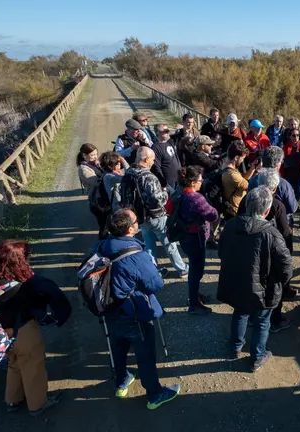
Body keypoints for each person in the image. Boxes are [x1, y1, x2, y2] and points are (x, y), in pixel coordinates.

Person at [95, 209, 181, 409]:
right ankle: (154, 394)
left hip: (109, 310)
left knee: (118, 348)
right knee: (145, 354)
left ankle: (121, 382)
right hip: (134, 312)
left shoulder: (101, 246)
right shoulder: (135, 255)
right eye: (136, 221)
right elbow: (155, 285)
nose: (138, 222)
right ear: (129, 229)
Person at [0, 240, 71, 417]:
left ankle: (13, 399)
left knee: (14, 363)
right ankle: (38, 404)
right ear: (18, 260)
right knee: (32, 365)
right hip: (22, 330)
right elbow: (48, 297)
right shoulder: (23, 284)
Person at [217, 187, 294, 372]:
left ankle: (235, 346)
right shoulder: (272, 234)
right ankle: (257, 357)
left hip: (236, 282)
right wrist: (280, 282)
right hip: (264, 288)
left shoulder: (230, 226)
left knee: (240, 312)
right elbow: (286, 267)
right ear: (266, 211)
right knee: (261, 322)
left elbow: (221, 253)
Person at [238, 171, 293, 332]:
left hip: (248, 248)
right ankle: (275, 320)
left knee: (251, 283)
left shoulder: (247, 199)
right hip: (270, 252)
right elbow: (285, 232)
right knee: (271, 289)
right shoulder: (277, 205)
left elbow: (239, 219)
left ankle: (251, 317)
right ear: (275, 187)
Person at [122, 147, 188, 277]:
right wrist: (164, 193)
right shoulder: (149, 177)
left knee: (149, 244)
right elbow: (157, 200)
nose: (153, 162)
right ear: (146, 159)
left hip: (139, 217)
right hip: (156, 216)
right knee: (169, 243)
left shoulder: (129, 173)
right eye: (152, 159)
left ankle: (153, 270)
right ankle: (182, 269)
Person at [178, 166, 219, 316]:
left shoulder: (178, 193)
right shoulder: (196, 198)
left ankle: (194, 295)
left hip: (184, 236)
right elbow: (213, 215)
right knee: (196, 271)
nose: (202, 183)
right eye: (200, 180)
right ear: (193, 182)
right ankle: (194, 304)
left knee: (193, 268)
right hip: (196, 238)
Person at [247, 146, 298, 218]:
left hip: (256, 219)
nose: (282, 163)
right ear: (277, 164)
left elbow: (248, 202)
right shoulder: (283, 184)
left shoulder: (253, 180)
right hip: (279, 221)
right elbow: (292, 207)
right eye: (281, 161)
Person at [222, 140, 259, 222]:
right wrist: (257, 172)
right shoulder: (232, 174)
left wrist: (253, 168)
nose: (242, 161)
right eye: (242, 158)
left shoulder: (228, 168)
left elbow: (243, 178)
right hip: (234, 211)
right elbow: (249, 186)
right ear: (236, 158)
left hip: (234, 208)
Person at [77, 143, 107, 235]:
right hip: (97, 200)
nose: (95, 157)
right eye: (92, 155)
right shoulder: (84, 169)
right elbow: (97, 182)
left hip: (104, 197)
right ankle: (102, 242)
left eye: (96, 154)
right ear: (84, 155)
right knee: (104, 227)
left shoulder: (94, 164)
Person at [280, 128, 300, 201]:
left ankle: (296, 205)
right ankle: (290, 205)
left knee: (299, 192)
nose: (296, 137)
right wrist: (281, 174)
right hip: (288, 173)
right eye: (294, 135)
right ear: (290, 136)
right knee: (288, 192)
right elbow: (282, 162)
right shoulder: (286, 147)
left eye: (297, 135)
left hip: (299, 172)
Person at [151, 123, 183, 189]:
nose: (168, 132)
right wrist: (163, 182)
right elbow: (156, 166)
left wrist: (182, 128)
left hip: (178, 178)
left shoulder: (170, 142)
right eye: (165, 131)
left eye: (168, 130)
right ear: (158, 133)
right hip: (168, 182)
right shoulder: (155, 148)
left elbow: (181, 135)